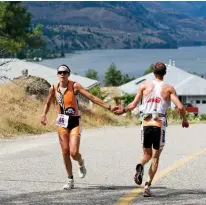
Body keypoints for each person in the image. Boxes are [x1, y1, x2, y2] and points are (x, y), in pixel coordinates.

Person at [113, 62, 189, 197]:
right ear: (165, 73)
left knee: (146, 154)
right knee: (155, 157)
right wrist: (184, 120)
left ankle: (140, 164)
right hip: (159, 123)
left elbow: (133, 105)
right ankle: (147, 186)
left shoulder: (144, 86)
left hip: (146, 123)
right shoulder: (169, 88)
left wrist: (122, 110)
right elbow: (181, 107)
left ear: (153, 72)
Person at [40, 64, 113, 190]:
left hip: (75, 121)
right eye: (60, 72)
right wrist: (44, 115)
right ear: (57, 74)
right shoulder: (53, 88)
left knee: (73, 152)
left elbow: (91, 97)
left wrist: (109, 107)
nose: (62, 75)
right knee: (65, 151)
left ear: (69, 74)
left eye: (65, 72)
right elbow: (47, 102)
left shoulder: (74, 86)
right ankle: (70, 179)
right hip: (62, 122)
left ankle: (81, 162)